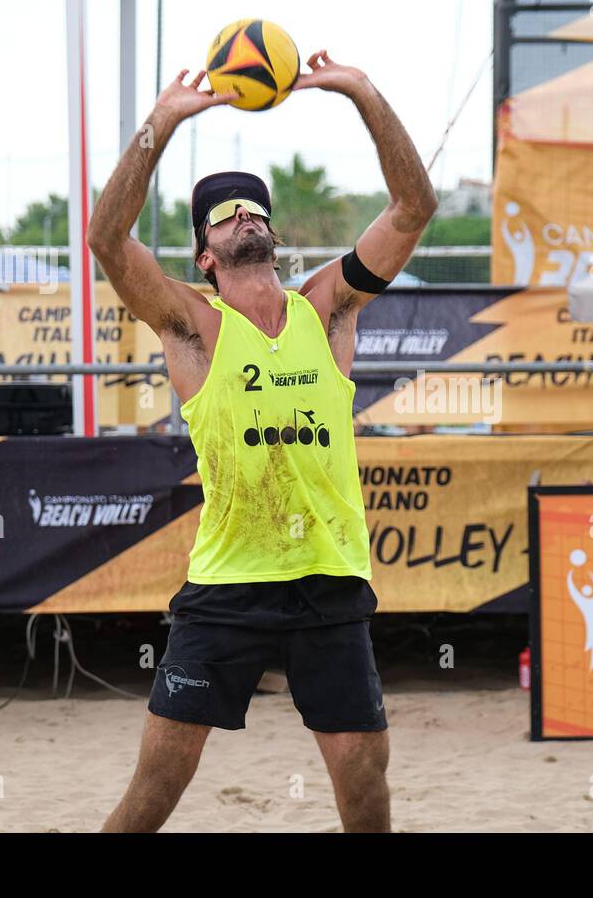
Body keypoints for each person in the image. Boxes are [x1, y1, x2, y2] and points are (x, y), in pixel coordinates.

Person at [89, 51, 437, 832]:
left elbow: (414, 206)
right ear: (205, 254)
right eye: (225, 213)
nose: (246, 215)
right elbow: (108, 240)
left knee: (363, 780)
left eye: (255, 208)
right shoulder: (194, 325)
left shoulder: (330, 308)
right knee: (158, 784)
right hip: (231, 581)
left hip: (328, 573)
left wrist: (364, 94)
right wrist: (162, 125)